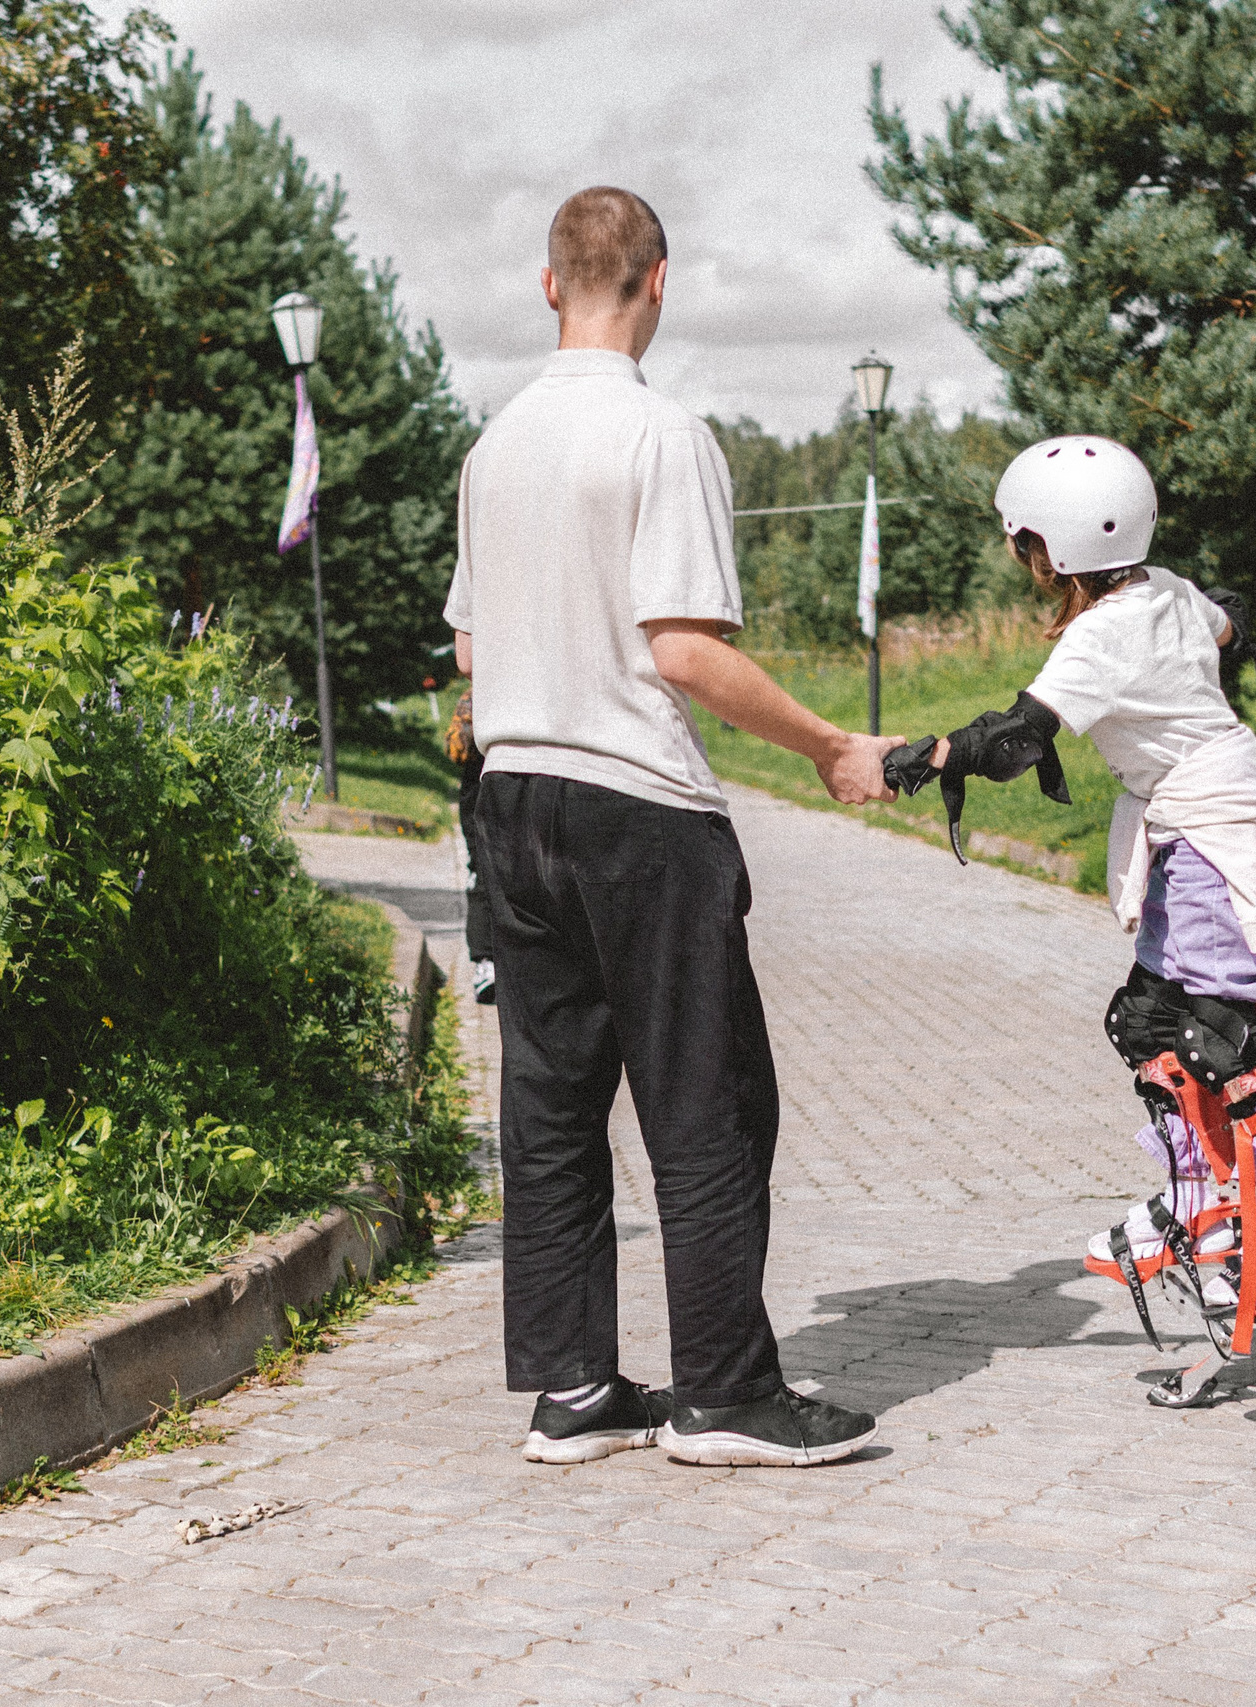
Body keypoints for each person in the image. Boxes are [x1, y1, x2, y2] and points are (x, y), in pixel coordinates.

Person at [445, 186, 901, 1468]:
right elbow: (684, 650)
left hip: (512, 798)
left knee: (551, 1105)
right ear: (660, 280)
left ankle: (575, 1391)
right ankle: (721, 1396)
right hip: (635, 807)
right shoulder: (660, 436)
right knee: (705, 1105)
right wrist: (827, 746)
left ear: (548, 286)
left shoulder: (494, 448)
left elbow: (473, 643)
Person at [890, 435, 1256, 1304]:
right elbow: (1230, 619)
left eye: (1025, 543)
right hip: (1199, 831)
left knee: (1217, 1036)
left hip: (1214, 835)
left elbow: (1020, 734)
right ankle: (1197, 1197)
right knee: (1147, 1023)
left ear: (1055, 552)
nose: (1021, 558)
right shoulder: (1163, 588)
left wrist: (928, 756)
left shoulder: (1098, 637)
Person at [441, 691, 495, 1005]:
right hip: (479, 786)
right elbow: (455, 748)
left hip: (506, 783)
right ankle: (486, 962)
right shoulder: (474, 694)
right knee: (482, 873)